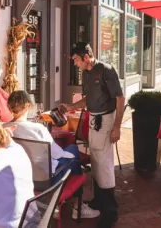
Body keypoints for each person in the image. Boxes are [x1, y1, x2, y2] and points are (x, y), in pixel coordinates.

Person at [4, 90, 100, 220]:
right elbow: (56, 153)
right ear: (28, 106)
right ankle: (78, 206)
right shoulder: (37, 129)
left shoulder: (3, 129)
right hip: (45, 181)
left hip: (19, 177)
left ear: (9, 107)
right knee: (72, 151)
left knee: (70, 154)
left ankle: (69, 205)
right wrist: (70, 154)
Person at [58, 42, 124, 228]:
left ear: (86, 57)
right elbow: (87, 100)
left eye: (76, 60)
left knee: (103, 163)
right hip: (94, 120)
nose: (75, 63)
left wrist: (117, 127)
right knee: (96, 161)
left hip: (106, 120)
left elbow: (120, 98)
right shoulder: (86, 74)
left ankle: (110, 212)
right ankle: (99, 202)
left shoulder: (106, 70)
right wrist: (71, 107)